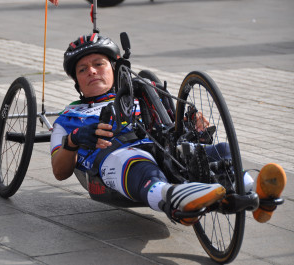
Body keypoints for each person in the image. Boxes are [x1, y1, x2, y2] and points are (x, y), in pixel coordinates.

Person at [50, 33, 286, 225]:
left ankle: (255, 193)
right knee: (137, 163)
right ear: (77, 83)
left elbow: (173, 125)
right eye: (82, 69)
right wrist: (74, 140)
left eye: (98, 64)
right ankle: (172, 197)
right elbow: (59, 172)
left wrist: (193, 122)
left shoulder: (140, 95)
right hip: (115, 158)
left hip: (164, 148)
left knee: (221, 151)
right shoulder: (68, 118)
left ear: (114, 68)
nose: (91, 71)